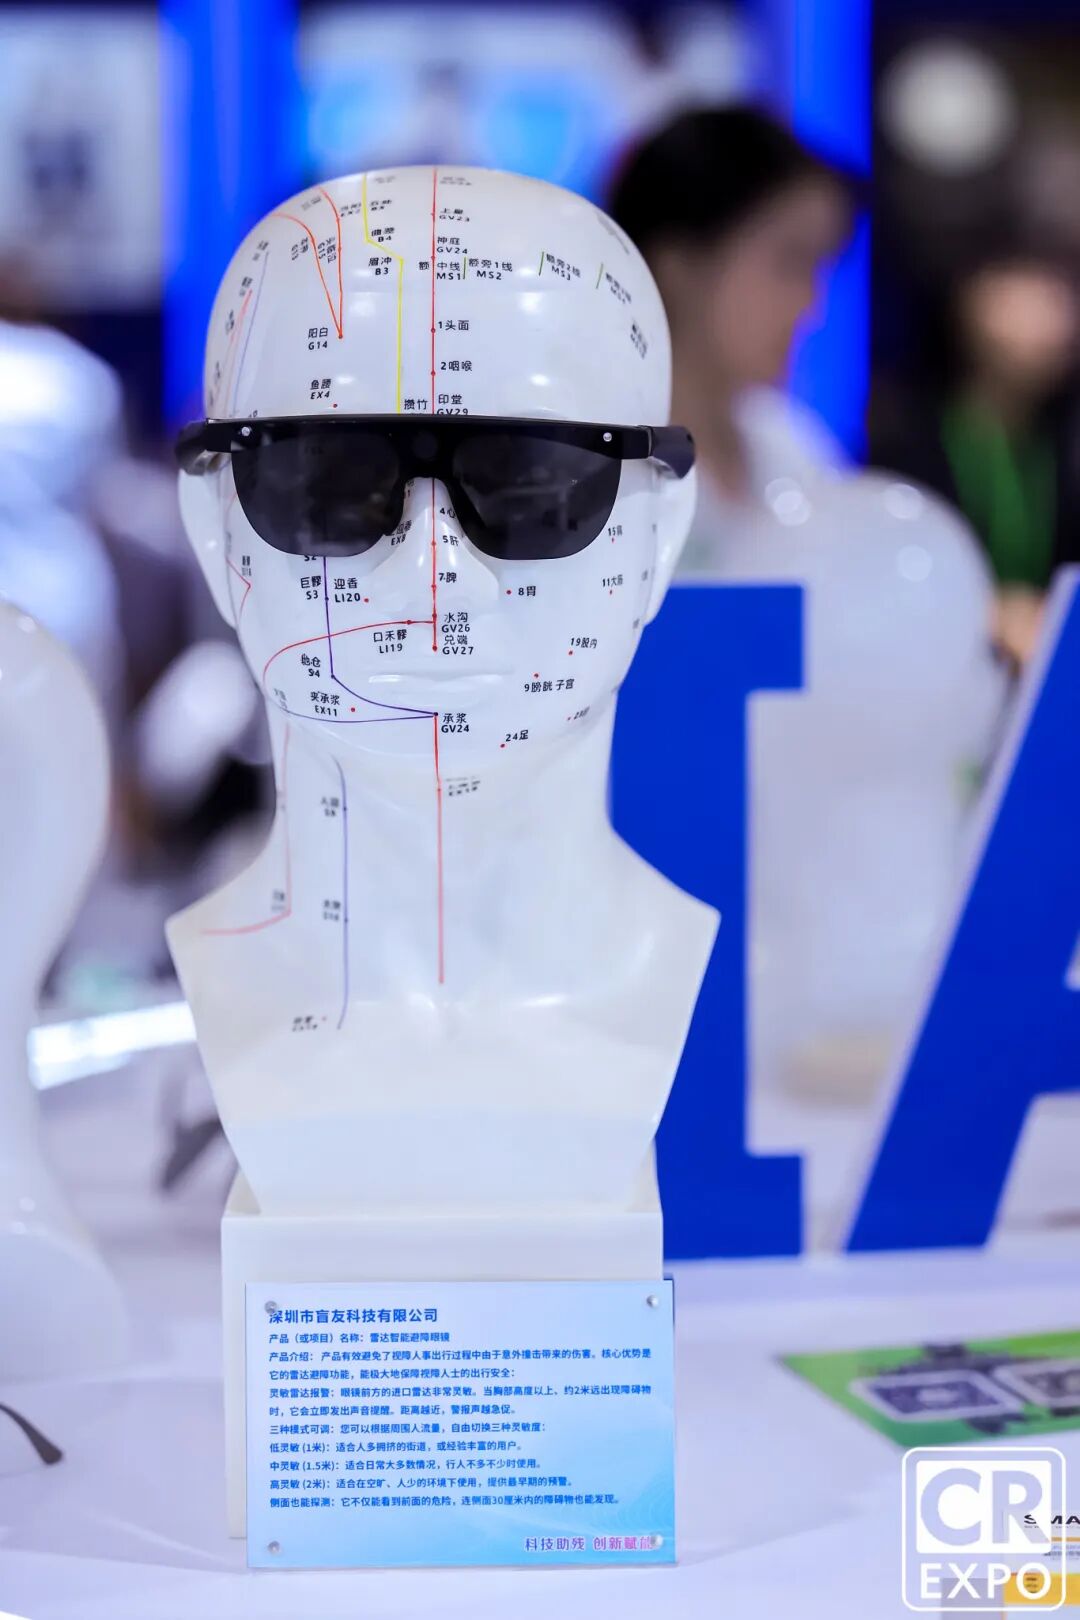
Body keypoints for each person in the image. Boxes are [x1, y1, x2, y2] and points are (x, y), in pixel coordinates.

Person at [608, 104, 855, 571]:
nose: (811, 304)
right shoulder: (593, 465)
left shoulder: (791, 448)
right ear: (678, 263)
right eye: (790, 261)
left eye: (819, 267)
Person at [874, 244, 1080, 667]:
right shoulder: (906, 441)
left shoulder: (1063, 445)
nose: (1057, 317)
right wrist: (990, 613)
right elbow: (885, 580)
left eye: (1062, 294)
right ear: (970, 300)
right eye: (1030, 289)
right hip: (938, 664)